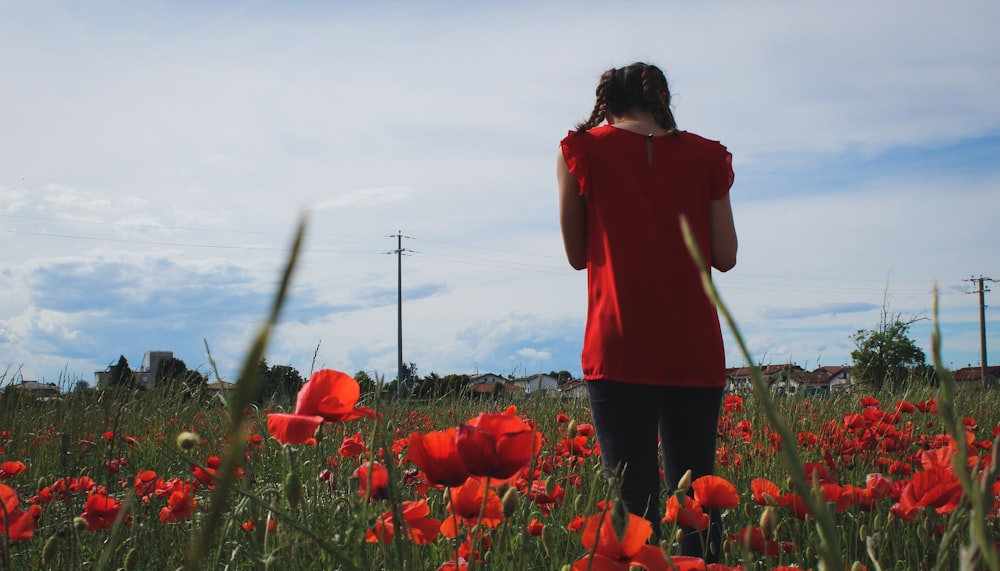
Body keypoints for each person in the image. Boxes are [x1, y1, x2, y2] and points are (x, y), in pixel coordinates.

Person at [557, 62, 737, 562]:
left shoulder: (583, 150)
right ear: (663, 98)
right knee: (698, 503)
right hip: (694, 346)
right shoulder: (706, 156)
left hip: (619, 343)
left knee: (633, 509)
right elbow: (725, 255)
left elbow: (576, 256)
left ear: (607, 101)